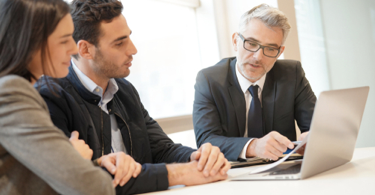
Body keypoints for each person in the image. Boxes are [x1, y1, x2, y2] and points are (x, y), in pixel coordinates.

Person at [37, 0, 231, 194]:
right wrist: (180, 174)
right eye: (120, 43)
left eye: (129, 38)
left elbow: (161, 149)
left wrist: (198, 158)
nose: (133, 50)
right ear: (86, 50)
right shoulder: (51, 97)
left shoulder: (124, 90)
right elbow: (85, 180)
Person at [0, 0, 144, 194]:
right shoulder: (12, 92)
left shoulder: (21, 91)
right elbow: (92, 187)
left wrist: (92, 164)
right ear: (30, 42)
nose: (74, 48)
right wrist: (77, 160)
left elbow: (30, 176)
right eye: (64, 39)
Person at [193, 4, 316, 161]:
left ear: (280, 52)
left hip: (283, 168)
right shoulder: (209, 80)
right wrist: (253, 146)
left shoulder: (293, 74)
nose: (258, 57)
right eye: (251, 43)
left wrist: (313, 138)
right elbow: (206, 140)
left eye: (270, 49)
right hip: (231, 173)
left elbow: (316, 127)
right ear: (236, 41)